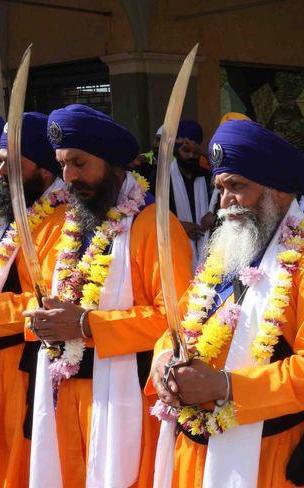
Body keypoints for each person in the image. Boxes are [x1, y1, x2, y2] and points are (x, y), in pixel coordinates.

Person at [149, 119, 304, 487]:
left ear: (278, 192)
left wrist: (225, 386)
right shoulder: (223, 254)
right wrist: (163, 360)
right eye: (220, 189)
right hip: (194, 449)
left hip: (269, 456)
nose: (225, 202)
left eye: (237, 187)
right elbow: (179, 327)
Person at [20, 104, 193, 487]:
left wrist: (86, 325)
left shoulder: (155, 226)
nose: (68, 176)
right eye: (63, 164)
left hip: (128, 396)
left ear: (114, 164)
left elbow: (175, 322)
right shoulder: (71, 222)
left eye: (79, 163)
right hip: (64, 389)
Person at [0, 112, 69, 487]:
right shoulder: (19, 210)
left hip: (20, 364)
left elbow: (47, 301)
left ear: (43, 168)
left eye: (12, 164)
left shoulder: (61, 220)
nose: (2, 171)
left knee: (19, 465)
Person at [148, 120, 217, 266]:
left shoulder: (207, 176)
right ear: (175, 151)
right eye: (186, 151)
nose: (192, 155)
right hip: (173, 254)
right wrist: (178, 226)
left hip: (209, 256)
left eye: (195, 152)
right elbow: (150, 215)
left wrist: (214, 216)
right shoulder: (161, 179)